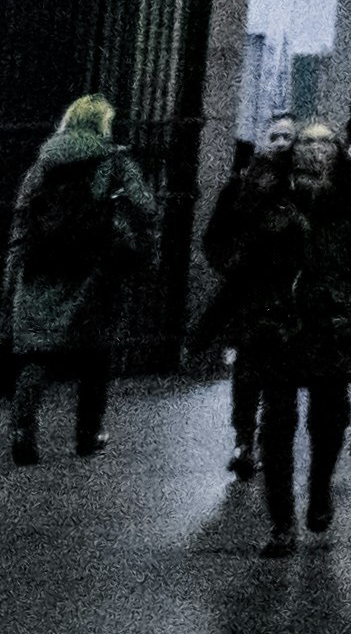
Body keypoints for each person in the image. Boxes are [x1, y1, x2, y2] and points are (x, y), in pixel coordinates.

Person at [237, 126, 351, 552]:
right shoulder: (268, 196)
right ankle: (282, 522)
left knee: (329, 418)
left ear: (339, 153)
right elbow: (243, 257)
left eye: (324, 142)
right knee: (277, 424)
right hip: (278, 324)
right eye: (306, 141)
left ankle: (320, 488)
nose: (314, 149)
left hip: (332, 323)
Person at [9, 94, 159, 461]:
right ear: (103, 123)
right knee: (95, 356)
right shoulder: (114, 158)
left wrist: (14, 266)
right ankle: (88, 434)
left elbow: (23, 212)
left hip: (42, 267)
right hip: (92, 269)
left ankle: (22, 428)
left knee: (38, 353)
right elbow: (146, 206)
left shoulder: (45, 161)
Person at [181, 134, 285, 483]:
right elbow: (215, 239)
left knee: (260, 378)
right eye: (276, 136)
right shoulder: (245, 192)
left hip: (270, 299)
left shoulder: (295, 192)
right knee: (256, 376)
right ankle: (250, 442)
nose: (282, 142)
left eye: (288, 136)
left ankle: (252, 442)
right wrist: (230, 261)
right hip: (260, 297)